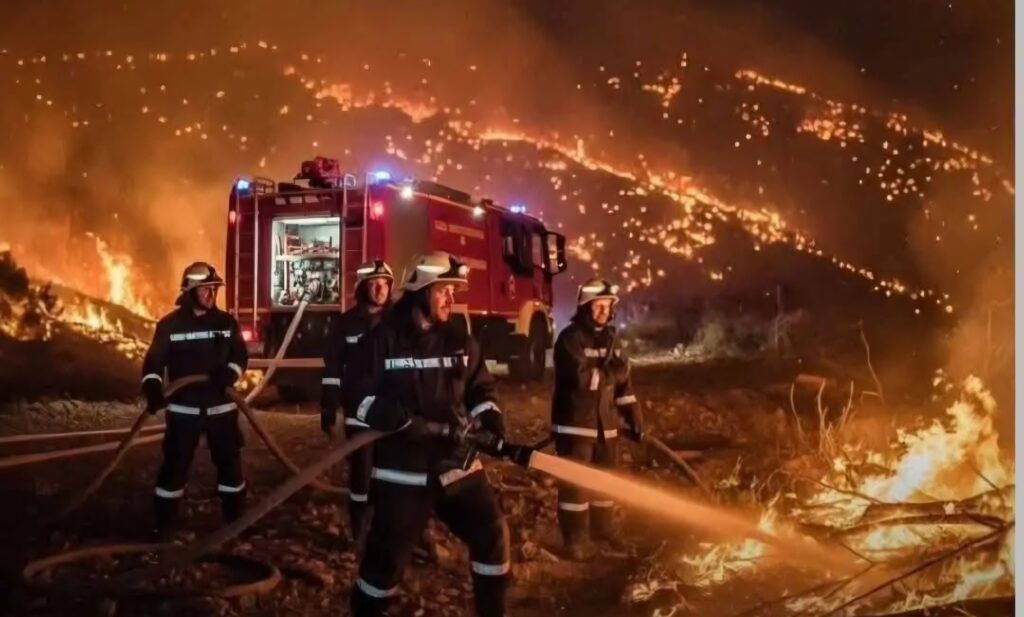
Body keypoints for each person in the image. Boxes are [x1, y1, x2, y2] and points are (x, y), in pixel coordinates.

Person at [345, 251, 510, 617]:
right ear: (420, 292)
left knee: (492, 534)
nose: (452, 299)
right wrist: (400, 420)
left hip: (456, 463)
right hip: (404, 472)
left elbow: (480, 388)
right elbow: (356, 396)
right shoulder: (382, 339)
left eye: (454, 290)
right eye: (443, 290)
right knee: (384, 566)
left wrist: (491, 420)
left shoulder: (458, 339)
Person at [140, 262, 248, 540]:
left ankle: (235, 523)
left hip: (221, 409)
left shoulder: (226, 323)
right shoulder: (169, 325)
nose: (212, 294)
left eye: (214, 289)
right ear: (189, 290)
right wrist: (153, 388)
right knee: (175, 467)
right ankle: (164, 527)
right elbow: (154, 362)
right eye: (205, 289)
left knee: (230, 467)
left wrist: (230, 374)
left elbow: (240, 356)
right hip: (183, 410)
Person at [550, 277, 643, 559]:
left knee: (605, 481)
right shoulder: (569, 340)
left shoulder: (611, 339)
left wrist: (633, 415)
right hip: (576, 425)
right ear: (585, 307)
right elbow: (583, 381)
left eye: (608, 306)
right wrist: (614, 375)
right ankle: (575, 541)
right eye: (598, 306)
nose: (604, 311)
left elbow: (622, 385)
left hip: (605, 425)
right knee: (575, 485)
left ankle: (603, 530)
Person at [321, 259, 394, 545]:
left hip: (392, 412)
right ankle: (359, 530)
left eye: (385, 284)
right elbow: (332, 371)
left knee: (390, 471)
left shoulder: (397, 322)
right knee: (361, 474)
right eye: (374, 285)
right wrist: (328, 409)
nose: (380, 290)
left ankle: (388, 530)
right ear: (363, 288)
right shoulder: (345, 324)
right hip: (358, 413)